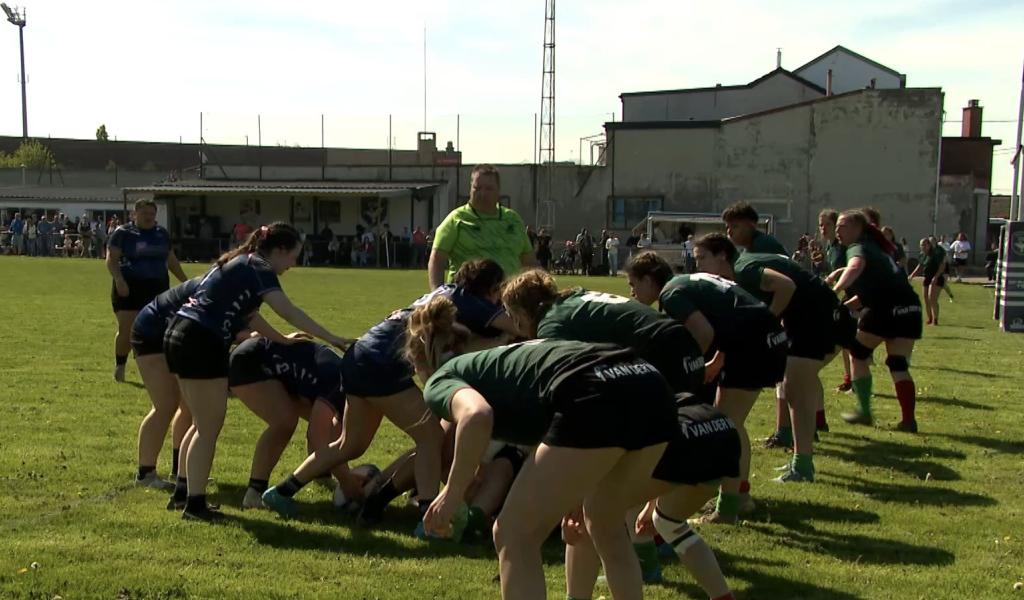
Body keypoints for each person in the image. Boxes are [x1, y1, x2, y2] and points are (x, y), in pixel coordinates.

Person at [408, 299, 678, 600]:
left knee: (513, 533)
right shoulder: (498, 366)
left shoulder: (441, 379)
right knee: (605, 523)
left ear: (418, 364)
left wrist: (452, 493)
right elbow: (561, 440)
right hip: (651, 387)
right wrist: (573, 498)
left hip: (596, 392)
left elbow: (476, 416)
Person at [262, 259, 519, 525]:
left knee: (349, 445)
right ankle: (428, 517)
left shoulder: (447, 291)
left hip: (360, 354)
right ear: (491, 288)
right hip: (381, 365)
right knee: (431, 436)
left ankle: (282, 491)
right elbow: (520, 327)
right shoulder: (471, 303)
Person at [163, 222, 354, 521]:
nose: (293, 264)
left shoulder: (240, 262)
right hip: (202, 340)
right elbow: (287, 310)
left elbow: (250, 316)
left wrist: (281, 339)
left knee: (201, 423)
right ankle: (195, 506)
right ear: (278, 250)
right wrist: (332, 337)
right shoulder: (259, 266)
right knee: (207, 427)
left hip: (180, 334)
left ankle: (183, 493)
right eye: (293, 256)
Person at [625, 251, 787, 524]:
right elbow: (727, 317)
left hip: (756, 345)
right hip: (763, 339)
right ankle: (738, 497)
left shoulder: (670, 294)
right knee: (731, 423)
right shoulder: (684, 282)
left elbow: (704, 332)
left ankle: (729, 509)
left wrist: (694, 369)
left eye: (633, 284)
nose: (631, 292)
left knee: (729, 425)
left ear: (649, 280)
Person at [695, 234, 855, 482]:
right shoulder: (740, 269)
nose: (698, 265)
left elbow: (786, 286)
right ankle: (800, 460)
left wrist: (766, 322)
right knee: (794, 386)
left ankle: (802, 467)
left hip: (816, 317)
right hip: (808, 317)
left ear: (722, 255)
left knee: (794, 388)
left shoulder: (742, 268)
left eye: (702, 258)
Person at [564, 394, 739, 600]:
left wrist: (574, 507)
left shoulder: (595, 410)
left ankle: (578, 596)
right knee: (668, 523)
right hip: (722, 432)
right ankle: (723, 597)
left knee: (590, 517)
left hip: (684, 437)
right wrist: (650, 506)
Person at [501, 269, 705, 396]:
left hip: (662, 354)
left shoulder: (551, 322)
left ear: (521, 311)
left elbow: (557, 381)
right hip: (685, 346)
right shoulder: (574, 298)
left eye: (511, 314)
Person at [229, 336, 372, 509]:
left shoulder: (349, 383)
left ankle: (321, 476)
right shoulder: (341, 384)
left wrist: (341, 473)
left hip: (280, 367)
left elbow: (333, 432)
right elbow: (316, 436)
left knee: (323, 422)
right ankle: (254, 492)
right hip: (252, 361)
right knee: (284, 422)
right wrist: (346, 480)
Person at [832, 210, 923, 432]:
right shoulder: (880, 250)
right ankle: (908, 421)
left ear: (858, 228)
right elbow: (873, 291)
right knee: (898, 363)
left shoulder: (858, 247)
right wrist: (843, 305)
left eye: (842, 225)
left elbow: (855, 267)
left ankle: (864, 410)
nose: (837, 230)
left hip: (886, 309)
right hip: (910, 307)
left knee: (858, 353)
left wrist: (832, 291)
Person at [107, 200, 189, 383]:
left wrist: (186, 282)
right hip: (129, 287)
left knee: (156, 330)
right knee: (127, 329)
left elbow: (171, 260)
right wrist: (119, 280)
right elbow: (111, 259)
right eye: (145, 214)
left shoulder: (161, 234)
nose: (149, 217)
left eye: (152, 214)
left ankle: (153, 369)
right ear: (134, 214)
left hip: (157, 287)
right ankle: (120, 364)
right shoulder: (123, 233)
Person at [131, 277, 201, 491]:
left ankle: (180, 470)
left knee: (188, 404)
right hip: (151, 333)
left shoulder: (229, 282)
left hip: (177, 336)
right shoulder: (219, 285)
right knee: (165, 404)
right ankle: (145, 472)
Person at [429, 164, 535, 289]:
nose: (482, 193)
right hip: (468, 298)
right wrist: (437, 293)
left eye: (488, 188)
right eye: (477, 188)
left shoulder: (513, 220)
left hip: (509, 298)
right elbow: (437, 259)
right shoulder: (456, 219)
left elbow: (529, 262)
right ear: (470, 189)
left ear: (498, 190)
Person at [721, 202, 787, 254]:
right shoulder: (749, 247)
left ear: (751, 226)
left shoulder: (763, 245)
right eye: (727, 227)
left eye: (735, 226)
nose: (729, 232)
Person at [908, 237, 947, 326]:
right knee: (926, 299)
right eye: (922, 245)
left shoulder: (936, 254)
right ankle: (930, 319)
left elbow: (942, 265)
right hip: (927, 277)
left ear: (929, 245)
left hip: (936, 277)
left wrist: (936, 277)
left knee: (932, 298)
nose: (923, 247)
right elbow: (920, 266)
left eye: (925, 245)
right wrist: (911, 275)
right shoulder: (922, 254)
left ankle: (935, 320)